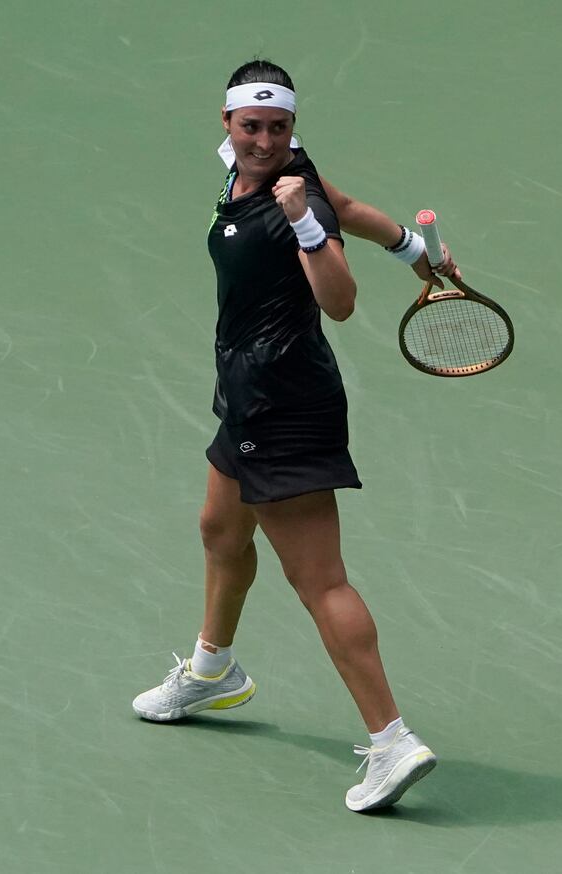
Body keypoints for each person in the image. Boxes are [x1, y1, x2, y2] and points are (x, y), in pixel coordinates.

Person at [132, 58, 457, 813]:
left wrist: (308, 226)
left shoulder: (293, 199)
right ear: (228, 123)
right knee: (220, 530)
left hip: (282, 404)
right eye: (253, 126)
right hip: (245, 396)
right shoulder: (263, 165)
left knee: (321, 581)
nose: (266, 141)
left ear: (292, 127)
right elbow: (349, 202)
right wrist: (414, 251)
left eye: (278, 129)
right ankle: (213, 672)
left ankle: (391, 741)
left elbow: (339, 300)